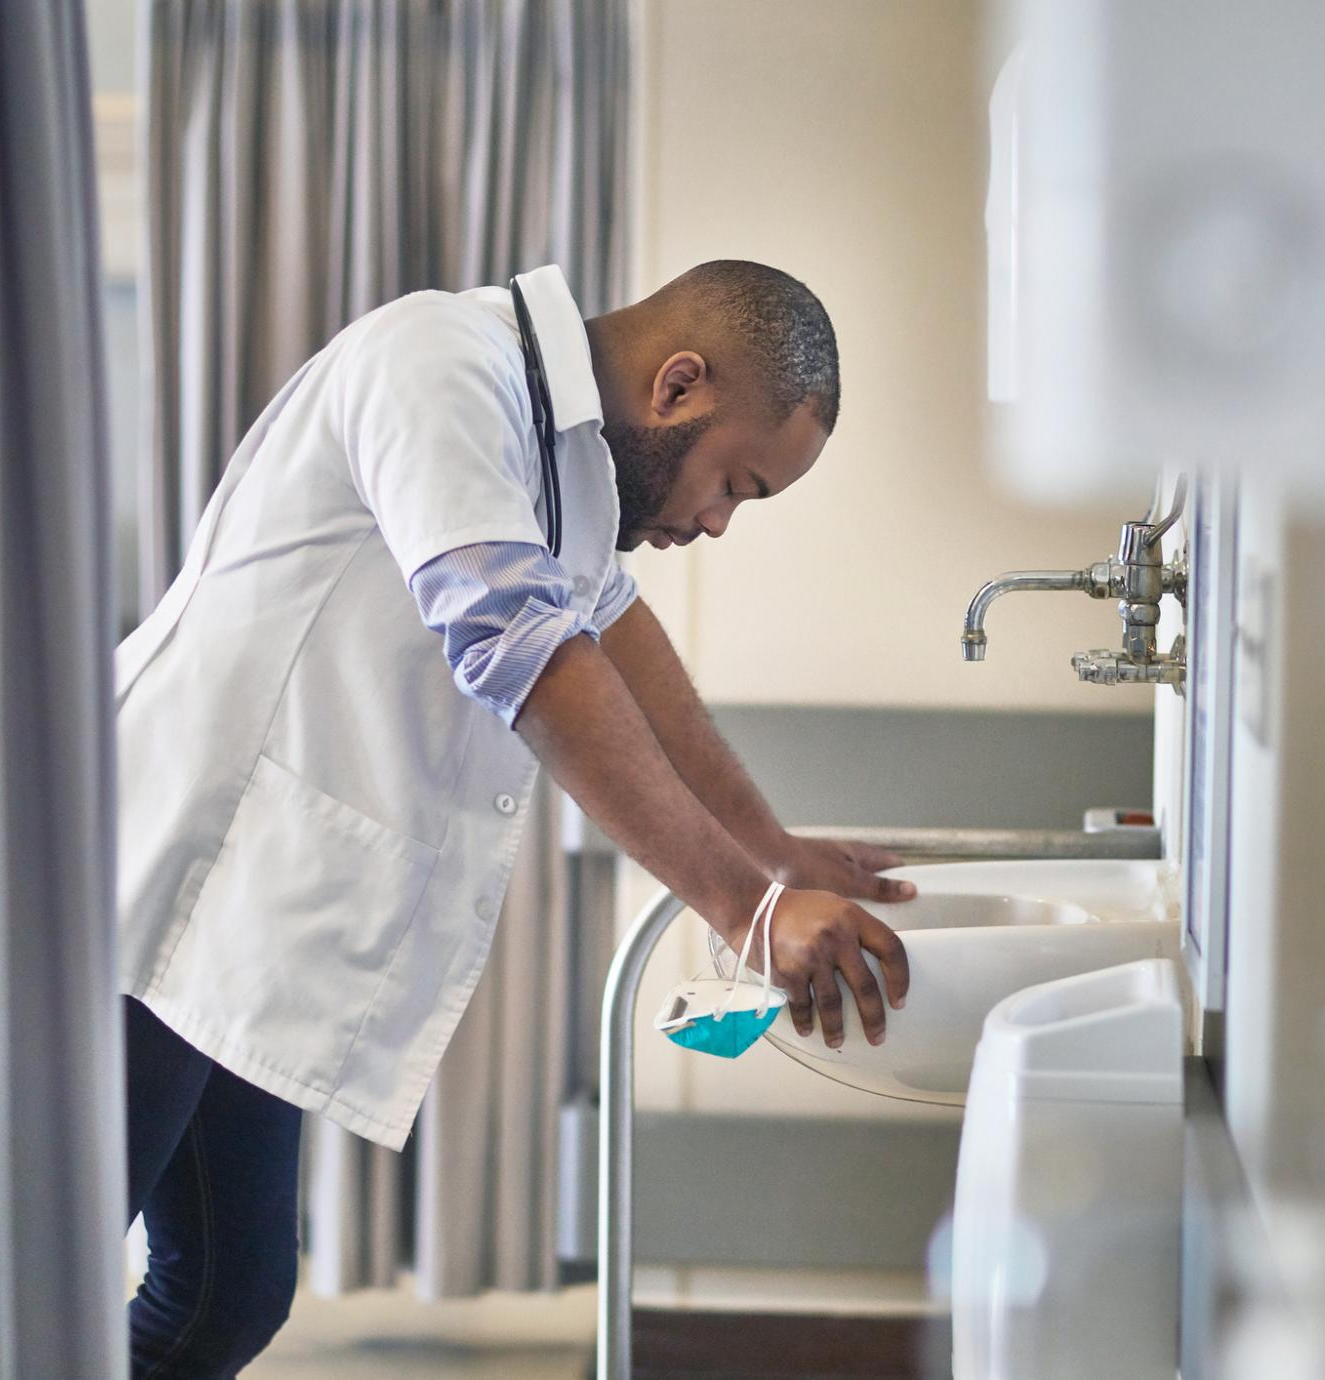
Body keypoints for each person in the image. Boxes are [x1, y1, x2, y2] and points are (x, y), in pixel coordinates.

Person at [114, 260, 914, 1375]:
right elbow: (518, 640)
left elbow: (614, 634)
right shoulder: (440, 363)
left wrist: (766, 848)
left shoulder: (570, 465)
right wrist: (745, 905)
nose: (721, 522)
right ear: (677, 387)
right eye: (738, 483)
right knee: (34, 1276)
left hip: (245, 916)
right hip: (158, 882)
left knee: (225, 1299)